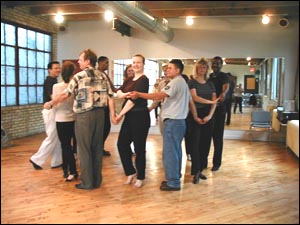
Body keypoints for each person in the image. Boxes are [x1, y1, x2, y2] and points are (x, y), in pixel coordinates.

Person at [44, 49, 117, 190]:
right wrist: (113, 115)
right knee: (97, 148)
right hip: (100, 115)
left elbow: (66, 94)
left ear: (88, 61)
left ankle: (87, 183)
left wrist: (51, 103)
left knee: (83, 149)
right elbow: (110, 96)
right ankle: (96, 181)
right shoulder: (102, 76)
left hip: (84, 116)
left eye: (81, 59)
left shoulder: (79, 76)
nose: (78, 61)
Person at [129, 59, 201, 191]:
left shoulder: (176, 82)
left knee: (170, 152)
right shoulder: (182, 83)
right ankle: (174, 176)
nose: (167, 70)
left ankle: (173, 182)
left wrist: (139, 94)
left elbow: (158, 95)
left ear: (178, 70)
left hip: (173, 122)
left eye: (170, 68)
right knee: (176, 151)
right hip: (178, 122)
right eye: (167, 68)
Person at [115, 54, 150, 188]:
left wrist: (120, 116)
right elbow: (118, 92)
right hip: (130, 117)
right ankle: (130, 172)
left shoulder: (143, 80)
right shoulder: (129, 79)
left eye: (138, 62)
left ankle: (140, 176)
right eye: (134, 62)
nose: (136, 65)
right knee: (121, 144)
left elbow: (132, 101)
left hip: (140, 117)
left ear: (143, 64)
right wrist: (124, 94)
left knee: (139, 148)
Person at [188, 58, 217, 184]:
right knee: (195, 144)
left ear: (207, 69)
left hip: (208, 116)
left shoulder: (210, 84)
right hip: (195, 114)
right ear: (197, 68)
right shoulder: (192, 82)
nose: (202, 69)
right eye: (200, 67)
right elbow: (194, 98)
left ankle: (201, 170)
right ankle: (195, 172)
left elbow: (215, 102)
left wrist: (210, 115)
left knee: (205, 144)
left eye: (204, 67)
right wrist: (196, 116)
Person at [29, 61, 62, 170]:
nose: (58, 70)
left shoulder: (54, 80)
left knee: (56, 136)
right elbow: (53, 97)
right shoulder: (50, 81)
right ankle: (36, 159)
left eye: (59, 68)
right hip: (50, 111)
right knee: (52, 136)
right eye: (56, 68)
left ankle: (56, 161)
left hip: (53, 111)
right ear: (49, 70)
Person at [52, 61, 78, 181]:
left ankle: (71, 171)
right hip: (73, 118)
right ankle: (66, 170)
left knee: (65, 146)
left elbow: (56, 104)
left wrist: (51, 102)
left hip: (61, 119)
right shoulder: (74, 86)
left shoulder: (57, 87)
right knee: (70, 146)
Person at [207, 56, 230, 172]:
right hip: (209, 109)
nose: (215, 65)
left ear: (221, 65)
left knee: (217, 138)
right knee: (207, 136)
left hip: (219, 110)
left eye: (217, 63)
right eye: (214, 63)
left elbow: (226, 87)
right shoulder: (210, 77)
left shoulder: (224, 76)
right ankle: (203, 161)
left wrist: (223, 94)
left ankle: (216, 163)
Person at [97, 56, 118, 157]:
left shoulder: (104, 74)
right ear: (99, 63)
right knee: (103, 128)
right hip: (101, 105)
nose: (107, 65)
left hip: (105, 105)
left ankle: (100, 147)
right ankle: (98, 148)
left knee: (106, 127)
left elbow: (112, 88)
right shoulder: (97, 74)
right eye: (106, 63)